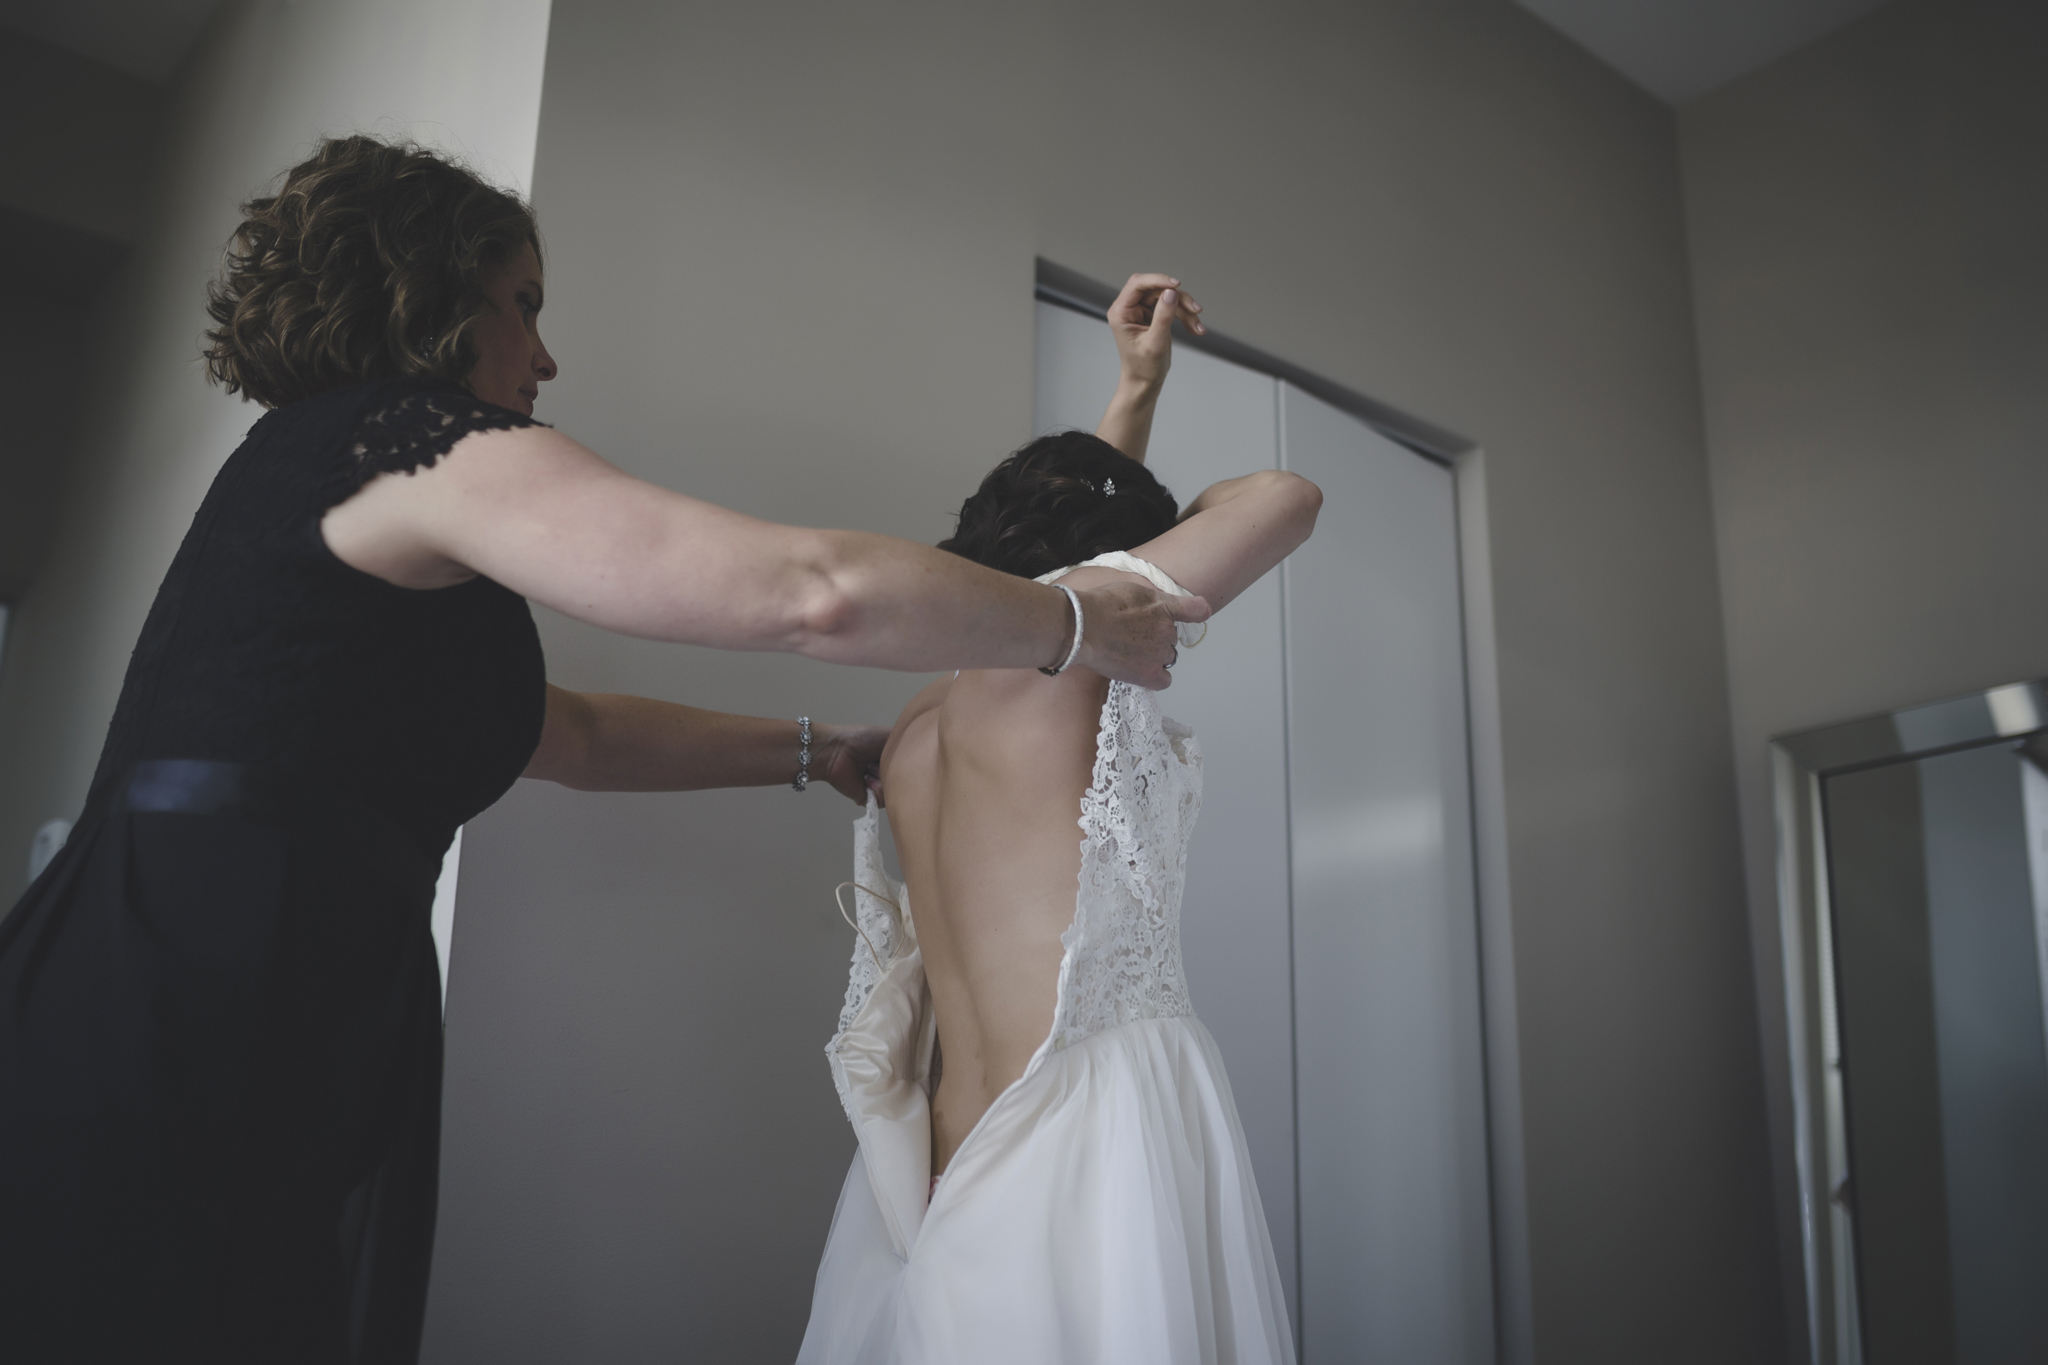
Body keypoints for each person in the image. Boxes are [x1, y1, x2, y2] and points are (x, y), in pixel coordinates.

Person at [0, 136, 1206, 1365]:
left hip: (302, 968)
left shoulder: (380, 526)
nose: (544, 352)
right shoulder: (394, 443)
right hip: (197, 962)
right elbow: (810, 592)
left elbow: (567, 733)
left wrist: (813, 750)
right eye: (520, 305)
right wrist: (1064, 620)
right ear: (427, 295)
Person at [799, 274, 1321, 1362]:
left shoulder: (924, 719)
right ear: (1103, 570)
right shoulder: (1056, 676)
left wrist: (1132, 396)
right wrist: (1166, 516)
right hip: (1093, 1140)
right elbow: (1282, 496)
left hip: (937, 1175)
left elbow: (1064, 583)